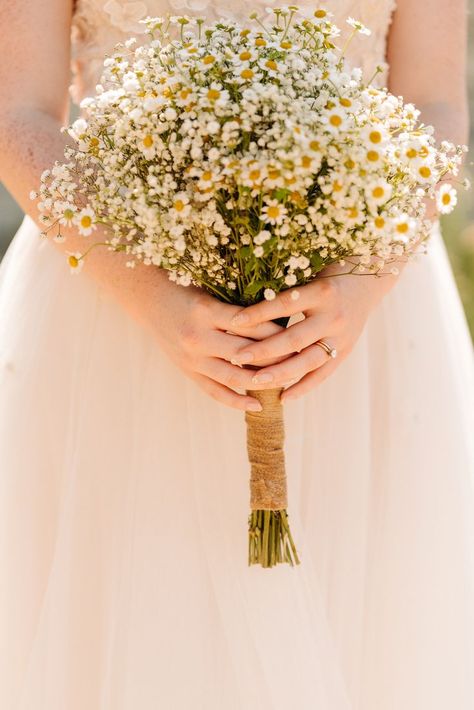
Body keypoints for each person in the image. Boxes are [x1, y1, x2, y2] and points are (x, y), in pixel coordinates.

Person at [0, 1, 473, 708]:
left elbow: (435, 103)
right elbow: (19, 112)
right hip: (110, 299)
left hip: (357, 317)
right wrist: (152, 298)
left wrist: (363, 283)